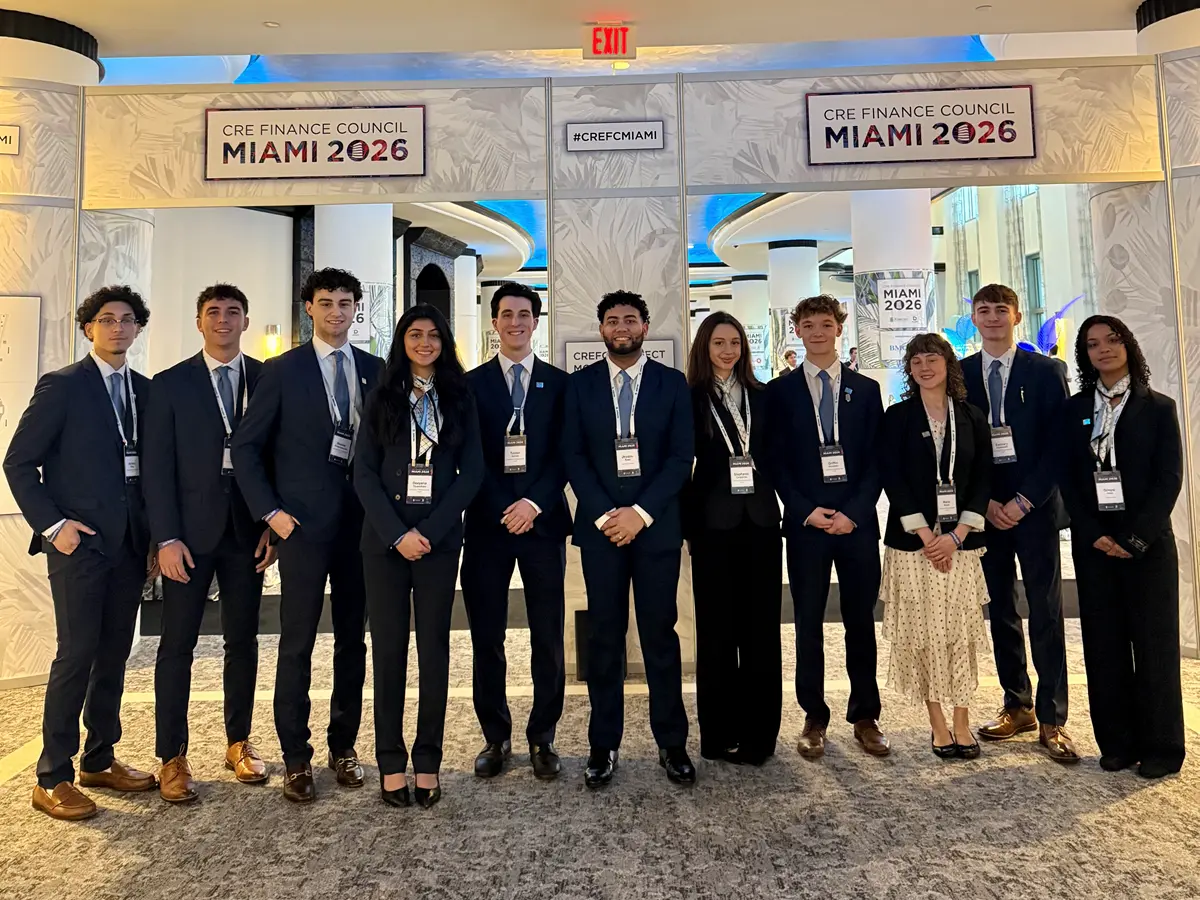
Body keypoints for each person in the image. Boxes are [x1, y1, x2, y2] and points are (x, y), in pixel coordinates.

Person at [4, 286, 158, 820]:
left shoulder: (145, 391)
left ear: (138, 328)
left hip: (130, 546)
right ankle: (52, 776)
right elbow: (18, 463)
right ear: (89, 328)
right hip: (80, 545)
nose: (118, 327)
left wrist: (154, 539)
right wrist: (53, 527)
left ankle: (99, 758)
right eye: (106, 319)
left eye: (127, 319)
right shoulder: (63, 385)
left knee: (115, 653)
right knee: (76, 655)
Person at [231, 267, 383, 803]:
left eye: (345, 303)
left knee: (352, 640)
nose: (336, 312)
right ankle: (296, 756)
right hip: (299, 528)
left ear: (356, 309)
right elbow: (246, 449)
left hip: (362, 528)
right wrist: (270, 513)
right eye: (326, 303)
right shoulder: (281, 370)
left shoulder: (376, 370)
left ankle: (344, 746)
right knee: (296, 642)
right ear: (309, 309)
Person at [144, 284, 276, 803]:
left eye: (233, 312)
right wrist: (166, 538)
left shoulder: (266, 380)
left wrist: (271, 524)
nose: (223, 319)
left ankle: (238, 741)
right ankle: (172, 756)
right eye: (213, 312)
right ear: (199, 322)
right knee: (177, 645)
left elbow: (278, 458)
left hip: (248, 533)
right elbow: (156, 469)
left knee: (243, 642)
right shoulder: (170, 384)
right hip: (188, 538)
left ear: (246, 321)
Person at [562, 290, 696, 788]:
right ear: (601, 329)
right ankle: (603, 744)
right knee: (604, 637)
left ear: (645, 327)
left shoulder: (672, 383)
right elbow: (573, 456)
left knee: (660, 635)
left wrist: (639, 514)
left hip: (655, 530)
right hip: (601, 533)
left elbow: (681, 458)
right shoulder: (579, 386)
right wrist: (606, 516)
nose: (622, 327)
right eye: (613, 320)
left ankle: (672, 743)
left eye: (631, 319)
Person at [355, 304, 483, 808]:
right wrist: (397, 534)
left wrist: (428, 531)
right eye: (415, 334)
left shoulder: (460, 397)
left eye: (433, 335)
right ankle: (390, 761)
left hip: (437, 541)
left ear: (444, 342)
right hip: (384, 543)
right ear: (402, 341)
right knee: (388, 653)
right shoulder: (382, 395)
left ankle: (428, 759)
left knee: (434, 653)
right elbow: (364, 474)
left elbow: (472, 473)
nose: (424, 343)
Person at [1059, 316, 1185, 779]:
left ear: (1128, 345)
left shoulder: (1158, 407)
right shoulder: (1075, 410)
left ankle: (1162, 748)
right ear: (1086, 356)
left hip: (1147, 545)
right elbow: (1069, 478)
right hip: (1094, 544)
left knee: (1154, 647)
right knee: (1104, 645)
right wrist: (1092, 532)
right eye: (1093, 344)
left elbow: (1168, 479)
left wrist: (1134, 538)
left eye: (1112, 340)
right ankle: (1117, 744)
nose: (1104, 349)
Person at [766, 295, 888, 760]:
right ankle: (814, 716)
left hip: (856, 525)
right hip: (806, 525)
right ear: (796, 330)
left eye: (825, 324)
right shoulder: (780, 392)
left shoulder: (866, 389)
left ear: (839, 328)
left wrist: (855, 512)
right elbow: (774, 461)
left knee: (860, 621)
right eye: (808, 325)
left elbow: (877, 460)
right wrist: (803, 510)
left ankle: (866, 715)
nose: (817, 332)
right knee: (808, 622)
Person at [962, 284, 1077, 763]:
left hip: (1035, 508)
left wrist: (1025, 500)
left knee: (1046, 610)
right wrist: (987, 502)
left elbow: (1060, 445)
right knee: (1001, 609)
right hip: (986, 511)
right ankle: (1018, 704)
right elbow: (961, 446)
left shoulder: (1047, 371)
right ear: (974, 318)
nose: (992, 318)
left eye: (1001, 310)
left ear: (1017, 317)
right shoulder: (961, 373)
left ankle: (1052, 716)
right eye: (983, 310)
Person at [463, 282, 570, 781]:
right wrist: (503, 505)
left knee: (547, 634)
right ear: (494, 322)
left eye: (524, 314)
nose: (515, 322)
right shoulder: (471, 384)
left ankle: (543, 735)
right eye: (506, 314)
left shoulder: (559, 384)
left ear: (535, 321)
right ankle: (496, 735)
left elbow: (566, 455)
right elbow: (468, 457)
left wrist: (532, 503)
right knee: (487, 635)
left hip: (542, 524)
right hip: (488, 525)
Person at [879, 333, 992, 760]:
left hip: (961, 542)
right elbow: (892, 478)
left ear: (948, 364)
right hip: (915, 546)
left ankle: (962, 720)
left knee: (959, 634)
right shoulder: (897, 417)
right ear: (909, 370)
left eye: (932, 359)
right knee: (924, 635)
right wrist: (928, 537)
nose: (925, 367)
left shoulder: (972, 415)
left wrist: (956, 535)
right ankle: (938, 723)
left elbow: (983, 478)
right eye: (916, 362)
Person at [682, 311, 782, 765]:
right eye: (719, 343)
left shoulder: (763, 396)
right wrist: (687, 526)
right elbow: (681, 465)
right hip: (711, 526)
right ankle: (719, 734)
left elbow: (778, 458)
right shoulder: (689, 398)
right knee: (716, 631)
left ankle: (760, 737)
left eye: (735, 343)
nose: (728, 351)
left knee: (761, 631)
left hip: (761, 523)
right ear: (704, 347)